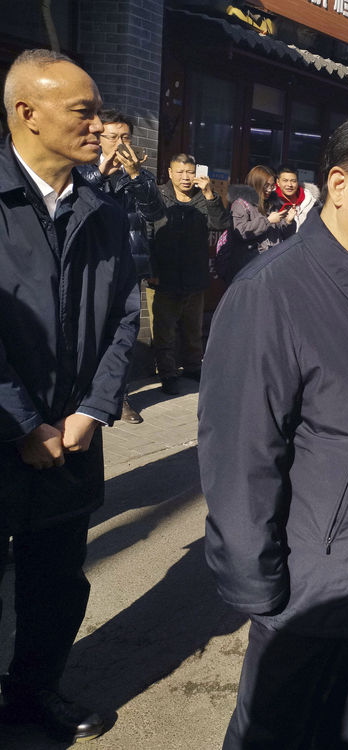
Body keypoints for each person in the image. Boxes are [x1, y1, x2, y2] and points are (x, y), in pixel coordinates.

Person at [198, 116, 348, 749]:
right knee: (274, 733)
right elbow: (241, 459)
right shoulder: (270, 293)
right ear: (338, 184)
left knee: (340, 725)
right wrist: (260, 590)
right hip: (307, 590)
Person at [0, 49, 140, 743]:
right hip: (9, 433)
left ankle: (35, 692)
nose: (99, 127)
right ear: (27, 113)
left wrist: (91, 410)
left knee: (57, 582)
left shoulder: (103, 212)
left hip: (73, 437)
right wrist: (25, 424)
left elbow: (124, 317)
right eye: (83, 112)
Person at [79, 108, 164, 424]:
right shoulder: (83, 169)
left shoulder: (140, 174)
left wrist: (134, 176)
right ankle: (83, 395)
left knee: (123, 332)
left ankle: (120, 396)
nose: (119, 143)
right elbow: (77, 201)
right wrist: (102, 172)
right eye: (112, 136)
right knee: (89, 329)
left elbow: (155, 213)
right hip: (91, 262)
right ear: (99, 138)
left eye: (125, 137)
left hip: (128, 262)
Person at [150, 153, 228, 395]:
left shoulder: (204, 197)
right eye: (180, 172)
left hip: (195, 274)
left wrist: (210, 194)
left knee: (193, 328)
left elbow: (220, 224)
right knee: (165, 330)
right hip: (165, 275)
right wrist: (151, 269)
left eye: (190, 172)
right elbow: (147, 231)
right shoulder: (158, 195)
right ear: (170, 173)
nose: (185, 177)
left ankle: (193, 367)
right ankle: (167, 373)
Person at [273, 164, 318, 230]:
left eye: (293, 181)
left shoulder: (311, 202)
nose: (289, 185)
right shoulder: (272, 203)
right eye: (285, 181)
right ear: (278, 182)